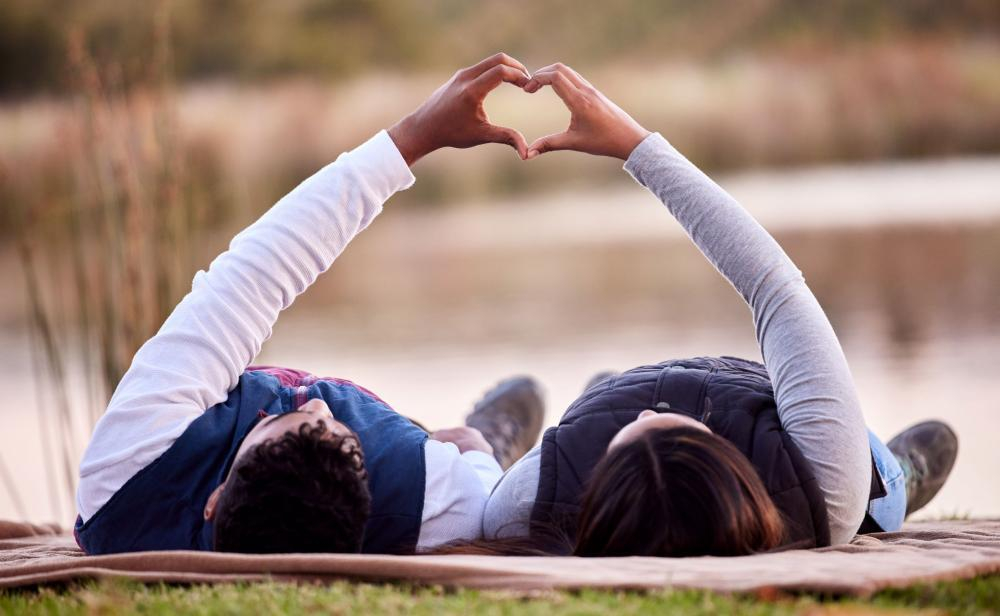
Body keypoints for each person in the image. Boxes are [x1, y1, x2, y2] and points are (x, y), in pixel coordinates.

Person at [478, 63, 959, 556]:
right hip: (780, 425)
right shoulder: (823, 487)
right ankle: (896, 474)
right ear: (732, 469)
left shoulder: (525, 506)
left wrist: (491, 456)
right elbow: (774, 286)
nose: (648, 408)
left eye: (626, 437)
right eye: (682, 429)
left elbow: (475, 505)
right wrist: (637, 147)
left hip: (587, 441)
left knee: (555, 427)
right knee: (872, 488)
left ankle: (495, 440)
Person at [74, 53, 545, 555]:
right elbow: (484, 494)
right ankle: (493, 434)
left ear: (215, 500)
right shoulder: (430, 500)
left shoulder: (124, 471)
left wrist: (417, 134)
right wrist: (476, 454)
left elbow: (259, 270)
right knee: (478, 451)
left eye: (275, 425)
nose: (316, 404)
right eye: (337, 434)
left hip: (175, 446)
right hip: (410, 465)